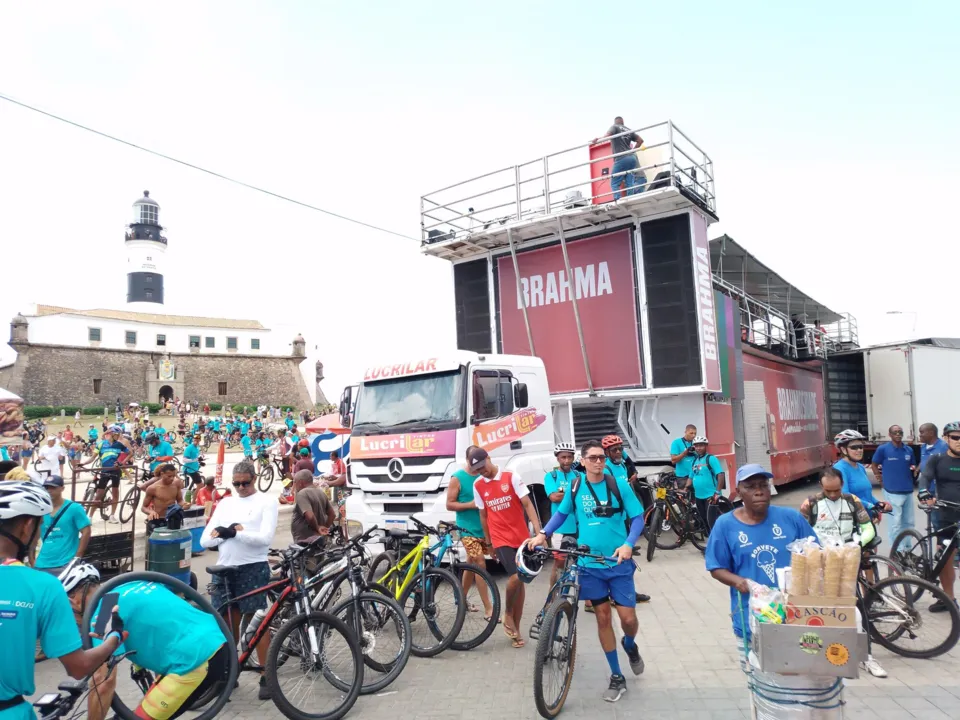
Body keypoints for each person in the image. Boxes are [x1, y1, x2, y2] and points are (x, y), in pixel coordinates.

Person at [528, 439, 646, 703]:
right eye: (593, 458)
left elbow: (638, 518)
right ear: (583, 461)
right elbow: (560, 513)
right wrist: (543, 534)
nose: (598, 462)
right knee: (603, 617)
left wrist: (628, 544)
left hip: (617, 563)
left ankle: (629, 644)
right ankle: (617, 676)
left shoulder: (619, 484)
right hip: (588, 565)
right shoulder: (575, 486)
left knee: (627, 620)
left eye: (601, 458)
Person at [0, 481, 125, 717]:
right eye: (39, 527)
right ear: (27, 526)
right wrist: (113, 638)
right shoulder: (42, 586)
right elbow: (79, 668)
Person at [74, 569, 231, 720]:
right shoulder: (129, 584)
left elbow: (103, 682)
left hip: (193, 661)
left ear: (73, 601)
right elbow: (154, 621)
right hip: (212, 640)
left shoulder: (102, 614)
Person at [705, 464, 812, 659]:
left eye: (763, 485)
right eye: (751, 486)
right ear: (738, 492)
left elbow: (815, 553)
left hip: (796, 618)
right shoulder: (725, 525)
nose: (759, 491)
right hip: (751, 618)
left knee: (796, 679)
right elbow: (716, 567)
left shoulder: (791, 518)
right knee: (759, 684)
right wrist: (740, 582)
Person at [200, 459, 279, 700]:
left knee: (259, 623)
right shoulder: (226, 503)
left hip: (252, 567)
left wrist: (235, 533)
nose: (241, 488)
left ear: (254, 479)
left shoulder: (267, 502)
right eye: (236, 484)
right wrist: (226, 534)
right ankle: (228, 671)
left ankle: (266, 675)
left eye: (245, 483)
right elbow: (206, 540)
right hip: (226, 569)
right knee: (226, 624)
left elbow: (265, 538)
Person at [798, 466, 887, 677]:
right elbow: (800, 531)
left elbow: (867, 528)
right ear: (821, 486)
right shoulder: (810, 503)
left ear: (842, 486)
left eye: (836, 490)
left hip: (848, 557)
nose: (833, 495)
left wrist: (856, 543)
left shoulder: (852, 501)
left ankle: (867, 656)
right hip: (819, 559)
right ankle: (823, 654)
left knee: (856, 606)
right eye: (828, 491)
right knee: (820, 608)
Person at [471, 447, 542, 648]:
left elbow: (527, 504)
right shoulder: (478, 486)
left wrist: (538, 533)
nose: (481, 471)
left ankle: (516, 630)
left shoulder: (511, 477)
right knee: (517, 576)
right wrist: (489, 543)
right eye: (476, 469)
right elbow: (483, 516)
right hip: (500, 538)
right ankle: (508, 612)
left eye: (482, 466)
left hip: (521, 538)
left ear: (489, 459)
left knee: (521, 583)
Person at [445, 445, 494, 622]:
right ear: (467, 461)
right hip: (467, 529)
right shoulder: (457, 478)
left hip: (484, 526)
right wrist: (471, 504)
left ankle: (461, 599)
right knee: (480, 562)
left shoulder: (485, 474)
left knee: (471, 563)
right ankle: (489, 608)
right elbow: (449, 504)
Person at [919, 421, 960, 612]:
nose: (959, 441)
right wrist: (923, 492)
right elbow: (925, 477)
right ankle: (948, 599)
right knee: (946, 561)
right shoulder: (937, 459)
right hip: (946, 516)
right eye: (955, 437)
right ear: (946, 438)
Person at [33, 474, 92, 576]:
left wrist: (77, 557)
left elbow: (86, 531)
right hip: (42, 563)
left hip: (66, 563)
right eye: (46, 487)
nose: (49, 490)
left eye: (53, 487)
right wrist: (32, 559)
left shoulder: (74, 508)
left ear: (62, 488)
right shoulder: (41, 509)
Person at [870, 425, 916, 543]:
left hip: (908, 491)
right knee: (895, 523)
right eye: (895, 432)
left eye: (900, 432)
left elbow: (912, 466)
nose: (898, 434)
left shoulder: (908, 450)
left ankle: (906, 549)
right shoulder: (883, 449)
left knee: (909, 523)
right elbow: (874, 464)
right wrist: (880, 480)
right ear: (890, 435)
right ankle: (896, 552)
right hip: (891, 491)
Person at [544, 442, 580, 588]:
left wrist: (563, 493)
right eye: (563, 457)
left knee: (581, 563)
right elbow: (553, 497)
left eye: (569, 457)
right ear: (557, 458)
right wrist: (573, 493)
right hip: (559, 527)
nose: (566, 461)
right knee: (558, 564)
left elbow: (561, 496)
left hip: (578, 526)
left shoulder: (579, 475)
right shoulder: (551, 476)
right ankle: (551, 599)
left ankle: (588, 600)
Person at [833, 429, 890, 516]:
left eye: (860, 447)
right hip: (852, 519)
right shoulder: (839, 468)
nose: (859, 450)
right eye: (854, 447)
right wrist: (869, 506)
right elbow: (845, 495)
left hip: (866, 517)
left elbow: (866, 494)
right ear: (843, 450)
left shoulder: (860, 467)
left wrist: (878, 503)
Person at [86, 425, 132, 523]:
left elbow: (130, 453)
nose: (119, 436)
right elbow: (92, 458)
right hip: (105, 470)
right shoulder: (101, 444)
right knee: (98, 495)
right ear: (111, 434)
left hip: (116, 470)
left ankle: (112, 515)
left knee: (115, 492)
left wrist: (122, 462)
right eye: (117, 434)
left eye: (119, 434)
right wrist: (83, 464)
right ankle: (90, 517)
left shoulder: (119, 444)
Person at [592, 116, 644, 200]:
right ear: (623, 122)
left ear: (615, 122)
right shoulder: (629, 130)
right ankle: (630, 199)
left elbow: (607, 136)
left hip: (621, 158)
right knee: (629, 181)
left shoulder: (614, 127)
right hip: (632, 158)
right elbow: (640, 140)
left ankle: (617, 199)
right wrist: (632, 151)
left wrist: (598, 139)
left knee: (614, 182)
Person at [686, 436, 725, 532]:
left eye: (701, 446)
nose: (699, 448)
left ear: (706, 446)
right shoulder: (695, 461)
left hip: (711, 495)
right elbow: (691, 476)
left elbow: (720, 475)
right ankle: (710, 540)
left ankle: (718, 540)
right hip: (699, 496)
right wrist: (685, 488)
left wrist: (717, 492)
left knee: (710, 520)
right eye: (697, 446)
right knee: (704, 520)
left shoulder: (711, 459)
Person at [291, 469, 335, 544]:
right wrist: (325, 528)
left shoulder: (302, 493)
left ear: (300, 482)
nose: (294, 485)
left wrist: (318, 528)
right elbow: (332, 514)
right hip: (319, 539)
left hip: (305, 540)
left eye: (294, 482)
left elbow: (310, 516)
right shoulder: (321, 492)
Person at [918, 422, 948, 492]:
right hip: (925, 487)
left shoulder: (944, 447)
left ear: (931, 433)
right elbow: (924, 461)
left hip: (938, 489)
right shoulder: (923, 447)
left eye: (922, 432)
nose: (920, 435)